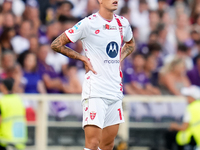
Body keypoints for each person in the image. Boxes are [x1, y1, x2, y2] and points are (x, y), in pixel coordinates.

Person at [51, 0, 135, 149]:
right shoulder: (88, 23)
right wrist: (81, 57)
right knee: (93, 143)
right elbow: (56, 44)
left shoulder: (123, 23)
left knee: (108, 144)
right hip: (95, 90)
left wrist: (119, 58)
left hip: (115, 90)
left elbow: (130, 44)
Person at [165, 86, 200, 150]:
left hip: (195, 137)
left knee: (170, 134)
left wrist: (174, 126)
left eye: (188, 96)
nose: (186, 99)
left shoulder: (191, 108)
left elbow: (184, 127)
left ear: (192, 97)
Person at [0, 78, 27, 150]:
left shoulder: (2, 101)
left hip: (6, 138)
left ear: (4, 87)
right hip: (20, 136)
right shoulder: (18, 99)